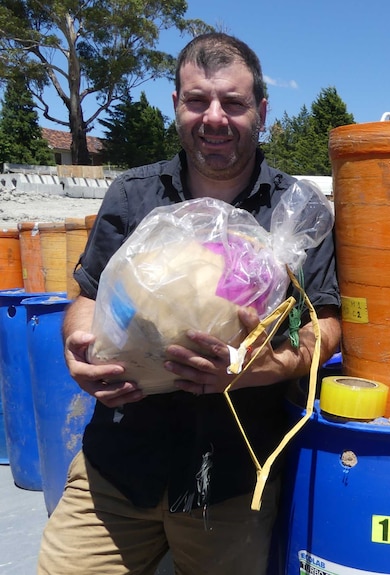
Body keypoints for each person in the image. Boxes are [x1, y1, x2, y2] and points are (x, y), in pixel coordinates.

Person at [38, 32, 341, 575]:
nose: (215, 117)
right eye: (197, 100)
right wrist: (79, 347)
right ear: (176, 106)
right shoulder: (134, 196)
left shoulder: (296, 212)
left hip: (230, 481)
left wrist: (260, 368)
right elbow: (86, 299)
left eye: (234, 102)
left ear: (262, 111)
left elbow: (327, 325)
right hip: (118, 465)